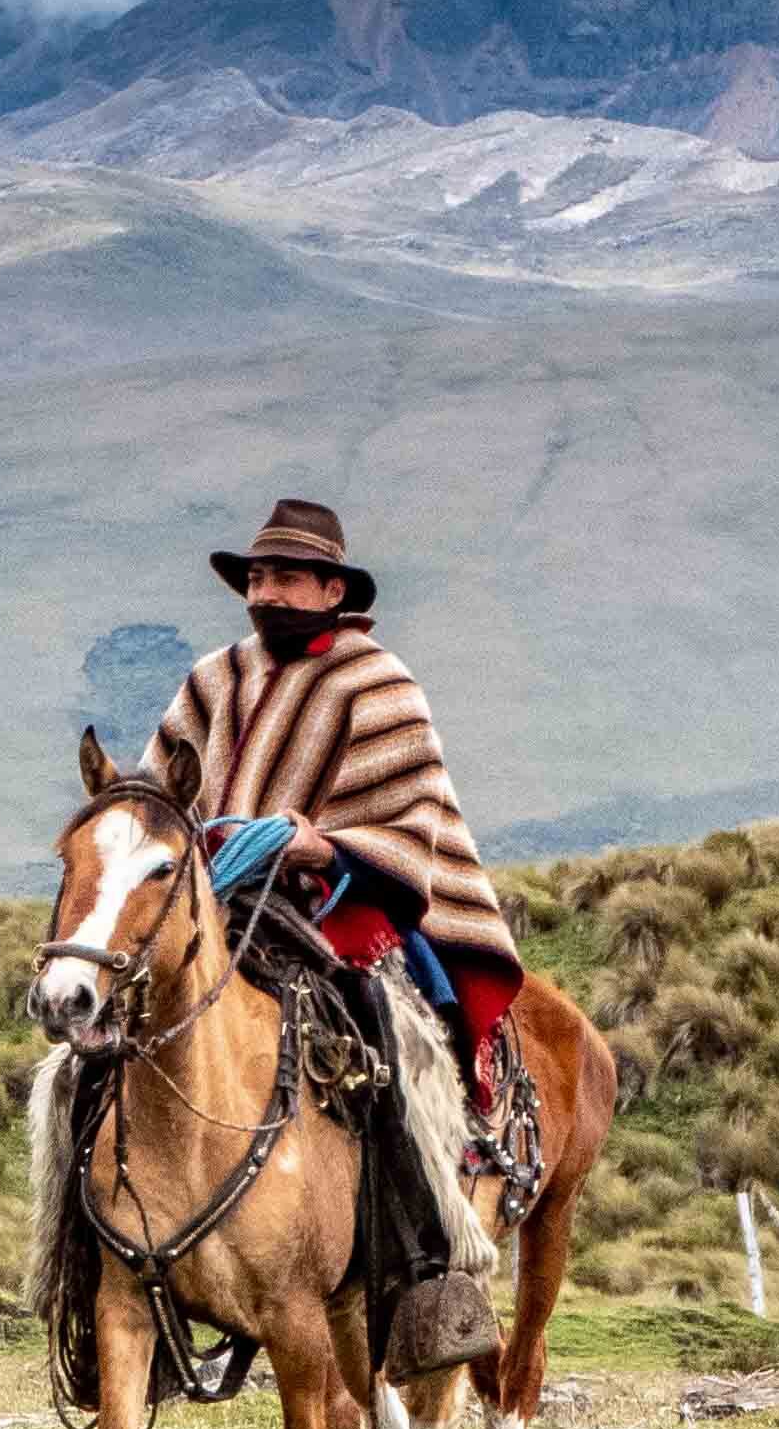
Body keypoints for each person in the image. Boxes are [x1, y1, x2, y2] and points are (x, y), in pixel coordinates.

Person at [144, 497, 516, 1382]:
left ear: (330, 588)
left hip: (334, 904)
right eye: (256, 578)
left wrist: (314, 840)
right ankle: (113, 1259)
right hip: (210, 904)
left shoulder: (376, 681)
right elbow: (159, 796)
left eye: (283, 577)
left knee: (393, 1035)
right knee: (109, 1031)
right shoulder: (211, 679)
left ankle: (430, 1266)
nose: (264, 593)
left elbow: (407, 818)